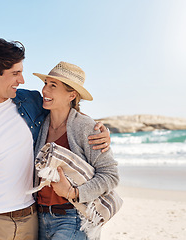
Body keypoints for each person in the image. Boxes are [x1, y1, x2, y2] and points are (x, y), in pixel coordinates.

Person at [0, 39, 111, 240]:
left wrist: (100, 130)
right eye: (15, 73)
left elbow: (66, 109)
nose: (22, 80)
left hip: (31, 219)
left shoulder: (30, 102)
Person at [33, 61, 119, 240]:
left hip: (72, 219)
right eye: (45, 84)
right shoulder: (39, 124)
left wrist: (74, 193)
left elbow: (110, 175)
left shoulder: (86, 127)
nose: (44, 91)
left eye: (53, 86)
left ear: (71, 95)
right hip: (39, 218)